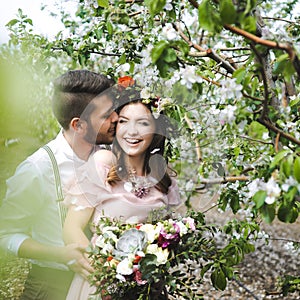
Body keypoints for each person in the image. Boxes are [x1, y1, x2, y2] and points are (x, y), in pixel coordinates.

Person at [0, 70, 118, 300]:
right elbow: (5, 234)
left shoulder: (111, 154)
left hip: (103, 286)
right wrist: (60, 254)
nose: (116, 119)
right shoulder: (37, 169)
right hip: (51, 286)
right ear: (78, 125)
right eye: (107, 115)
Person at [63, 81, 181, 300]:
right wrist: (105, 270)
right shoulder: (102, 164)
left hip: (148, 289)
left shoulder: (163, 180)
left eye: (143, 123)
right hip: (102, 284)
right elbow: (72, 227)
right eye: (124, 122)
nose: (132, 132)